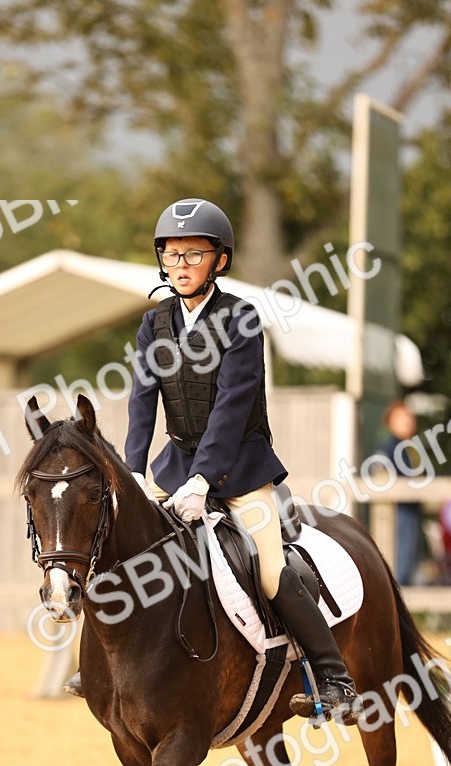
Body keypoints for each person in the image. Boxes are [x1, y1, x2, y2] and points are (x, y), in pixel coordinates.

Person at [112, 197, 359, 722]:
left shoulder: (241, 320)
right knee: (120, 543)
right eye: (172, 255)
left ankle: (333, 677)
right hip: (174, 464)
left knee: (269, 568)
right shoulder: (153, 324)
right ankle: (104, 667)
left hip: (241, 469)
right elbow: (141, 400)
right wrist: (133, 469)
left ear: (219, 260)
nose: (181, 265)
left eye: (193, 255)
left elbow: (230, 406)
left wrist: (205, 478)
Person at [377, 401, 424, 585]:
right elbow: (379, 474)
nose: (408, 422)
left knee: (408, 563)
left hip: (409, 510)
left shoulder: (408, 447)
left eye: (409, 418)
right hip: (399, 512)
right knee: (400, 565)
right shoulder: (389, 446)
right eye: (401, 418)